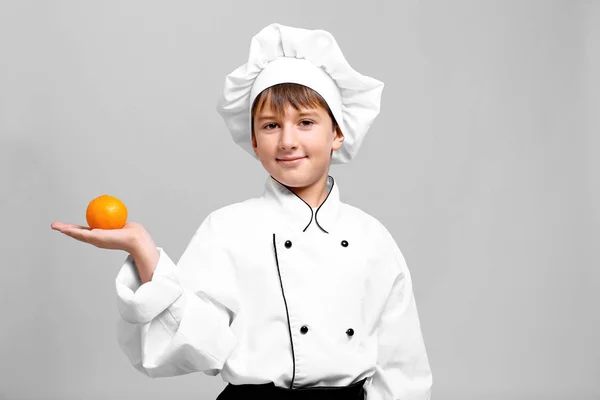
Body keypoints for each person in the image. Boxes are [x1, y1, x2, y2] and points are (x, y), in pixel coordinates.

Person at [51, 23, 433, 399]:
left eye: (305, 122)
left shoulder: (372, 238)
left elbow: (402, 368)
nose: (287, 141)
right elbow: (197, 341)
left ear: (336, 133)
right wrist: (142, 249)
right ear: (253, 139)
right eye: (270, 125)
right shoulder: (228, 228)